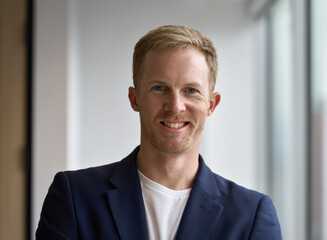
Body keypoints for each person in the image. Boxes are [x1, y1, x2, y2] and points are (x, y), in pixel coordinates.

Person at [36, 25, 282, 240]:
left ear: (211, 104)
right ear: (134, 99)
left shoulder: (251, 215)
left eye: (191, 90)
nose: (175, 106)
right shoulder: (75, 197)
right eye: (159, 88)